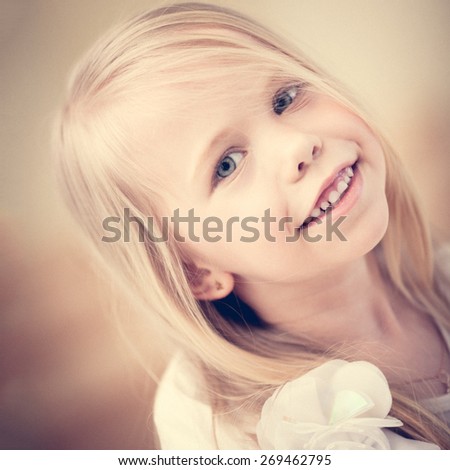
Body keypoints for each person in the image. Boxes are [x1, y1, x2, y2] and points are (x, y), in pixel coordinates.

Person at [54, 2, 450, 449]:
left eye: (284, 98)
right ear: (195, 270)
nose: (299, 144)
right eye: (226, 165)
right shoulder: (225, 433)